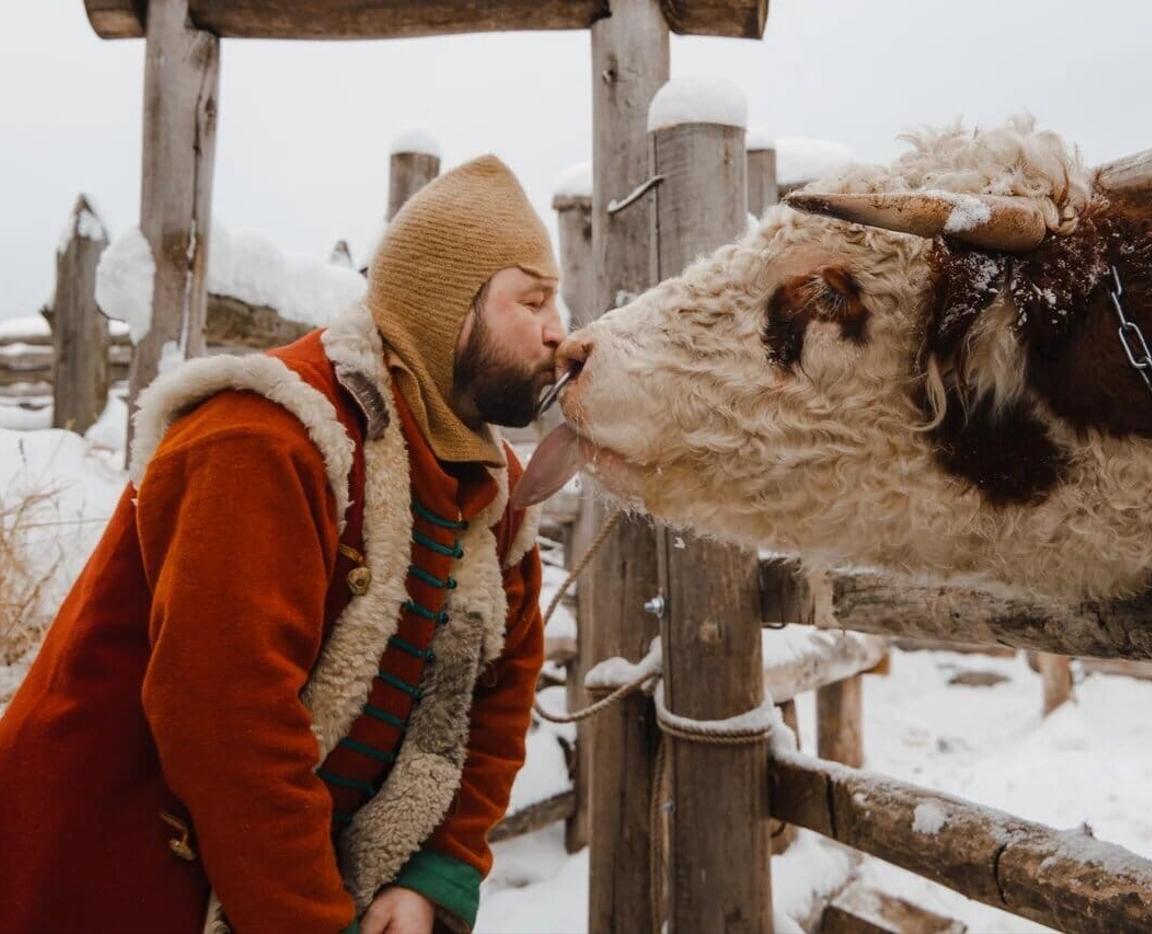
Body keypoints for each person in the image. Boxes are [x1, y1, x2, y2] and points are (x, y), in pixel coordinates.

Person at [0, 155, 566, 934]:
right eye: (532, 300)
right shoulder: (263, 439)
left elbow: (495, 699)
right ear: (447, 308)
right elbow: (227, 723)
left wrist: (436, 871)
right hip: (105, 873)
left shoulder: (491, 494)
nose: (558, 329)